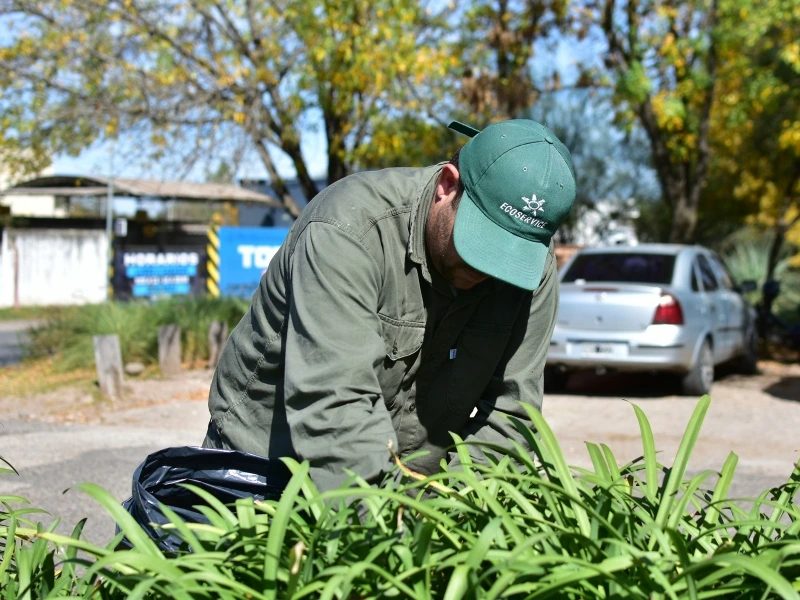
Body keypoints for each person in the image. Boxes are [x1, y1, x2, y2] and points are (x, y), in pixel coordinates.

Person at [202, 118, 576, 492]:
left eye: (511, 253)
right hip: (264, 474)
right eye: (483, 241)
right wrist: (391, 521)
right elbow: (336, 407)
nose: (490, 268)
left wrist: (459, 509)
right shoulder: (348, 230)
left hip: (414, 494)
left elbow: (511, 417)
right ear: (447, 185)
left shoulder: (531, 269)